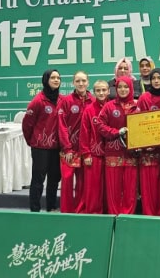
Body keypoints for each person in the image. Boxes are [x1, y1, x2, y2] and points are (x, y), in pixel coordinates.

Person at [22, 69, 63, 212]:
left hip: (57, 147)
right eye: (53, 78)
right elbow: (27, 125)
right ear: (46, 80)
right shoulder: (38, 101)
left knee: (54, 179)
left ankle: (51, 207)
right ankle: (35, 209)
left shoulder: (62, 100)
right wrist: (33, 141)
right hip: (40, 148)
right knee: (38, 179)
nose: (56, 80)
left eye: (58, 78)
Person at [97, 76, 139, 214]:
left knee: (130, 190)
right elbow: (100, 125)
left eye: (126, 87)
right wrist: (116, 132)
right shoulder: (109, 106)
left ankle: (128, 217)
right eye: (120, 87)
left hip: (132, 155)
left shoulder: (137, 107)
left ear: (131, 88)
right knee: (113, 189)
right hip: (113, 154)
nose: (122, 89)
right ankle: (114, 216)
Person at [136, 68, 160, 216]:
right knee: (147, 189)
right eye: (153, 78)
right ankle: (149, 217)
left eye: (159, 78)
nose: (156, 81)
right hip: (147, 152)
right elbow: (138, 123)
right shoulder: (144, 98)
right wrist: (145, 143)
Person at [57, 70, 94, 213]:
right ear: (73, 83)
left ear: (88, 82)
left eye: (83, 81)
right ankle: (66, 211)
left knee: (83, 182)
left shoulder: (93, 101)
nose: (81, 83)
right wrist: (67, 148)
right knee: (67, 181)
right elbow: (62, 126)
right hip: (69, 150)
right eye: (78, 81)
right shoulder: (66, 101)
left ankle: (80, 210)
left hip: (85, 150)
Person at [78, 80, 110, 214]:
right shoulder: (89, 110)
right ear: (94, 92)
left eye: (104, 90)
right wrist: (86, 154)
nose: (101, 93)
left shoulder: (112, 107)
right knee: (93, 186)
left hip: (111, 155)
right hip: (94, 155)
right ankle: (93, 213)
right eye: (98, 90)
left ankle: (107, 211)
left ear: (109, 91)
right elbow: (84, 133)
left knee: (109, 187)